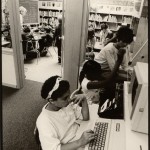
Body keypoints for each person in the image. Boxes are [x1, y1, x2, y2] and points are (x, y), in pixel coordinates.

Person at [36, 76, 95, 150]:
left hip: (79, 136)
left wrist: (84, 100)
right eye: (65, 98)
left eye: (69, 96)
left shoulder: (64, 105)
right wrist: (80, 142)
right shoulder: (44, 121)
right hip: (71, 146)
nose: (69, 100)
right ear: (51, 101)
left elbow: (85, 118)